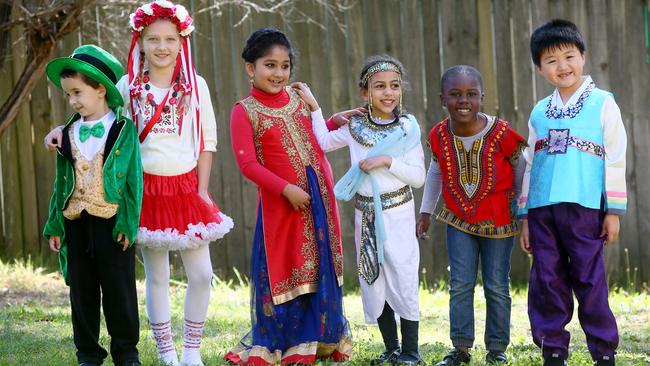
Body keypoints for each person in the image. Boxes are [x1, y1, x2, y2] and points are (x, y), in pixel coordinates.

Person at [45, 2, 233, 365]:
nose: (162, 46)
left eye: (170, 39)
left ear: (182, 41)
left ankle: (191, 349)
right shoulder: (127, 85)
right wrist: (60, 129)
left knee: (201, 273)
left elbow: (207, 142)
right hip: (144, 191)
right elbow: (97, 118)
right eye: (153, 39)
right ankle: (166, 351)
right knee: (157, 276)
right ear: (140, 41)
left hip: (186, 189)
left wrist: (202, 189)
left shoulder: (196, 85)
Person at [224, 27, 352, 365]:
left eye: (285, 65)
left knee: (318, 263)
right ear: (250, 68)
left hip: (319, 199)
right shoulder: (245, 110)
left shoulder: (298, 99)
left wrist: (335, 119)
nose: (278, 73)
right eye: (270, 65)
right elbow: (248, 164)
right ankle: (288, 341)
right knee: (289, 265)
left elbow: (313, 134)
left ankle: (319, 338)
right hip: (283, 205)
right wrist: (286, 189)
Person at [295, 55, 426, 365]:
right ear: (365, 92)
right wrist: (317, 109)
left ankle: (411, 352)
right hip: (366, 214)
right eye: (379, 86)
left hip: (398, 213)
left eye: (394, 86)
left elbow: (418, 177)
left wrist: (387, 161)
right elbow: (323, 142)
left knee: (403, 275)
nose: (388, 93)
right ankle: (391, 348)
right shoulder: (355, 127)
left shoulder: (407, 128)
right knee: (373, 277)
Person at [518, 19, 627, 366]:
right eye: (551, 61)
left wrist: (612, 211)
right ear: (539, 68)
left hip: (584, 207)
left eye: (569, 56)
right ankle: (552, 349)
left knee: (589, 278)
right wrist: (524, 217)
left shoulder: (602, 103)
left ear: (583, 56)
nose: (562, 66)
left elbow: (615, 157)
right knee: (547, 278)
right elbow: (530, 164)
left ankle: (604, 350)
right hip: (542, 209)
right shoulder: (539, 112)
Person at [417, 65, 526, 366]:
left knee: (496, 285)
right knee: (461, 283)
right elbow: (435, 171)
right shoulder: (439, 134)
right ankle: (461, 348)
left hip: (499, 221)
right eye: (455, 94)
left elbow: (520, 165)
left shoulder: (501, 132)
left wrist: (519, 203)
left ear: (482, 97)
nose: (463, 100)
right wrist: (426, 211)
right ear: (442, 98)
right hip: (458, 220)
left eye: (471, 94)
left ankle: (497, 349)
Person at [43, 44, 143, 366]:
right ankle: (88, 353)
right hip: (76, 221)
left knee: (119, 292)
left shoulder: (123, 130)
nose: (72, 101)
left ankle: (126, 352)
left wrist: (128, 224)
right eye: (68, 94)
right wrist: (55, 224)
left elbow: (133, 183)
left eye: (77, 92)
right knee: (82, 293)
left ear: (101, 89)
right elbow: (61, 184)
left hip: (111, 223)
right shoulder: (67, 132)